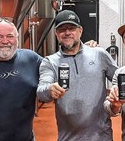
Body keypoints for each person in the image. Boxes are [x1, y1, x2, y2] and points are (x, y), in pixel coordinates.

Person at [36, 10, 118, 141]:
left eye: (71, 28)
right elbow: (41, 92)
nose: (67, 33)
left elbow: (118, 78)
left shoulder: (99, 54)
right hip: (68, 137)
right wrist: (49, 90)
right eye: (62, 29)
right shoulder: (50, 62)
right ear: (56, 34)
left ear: (80, 30)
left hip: (101, 136)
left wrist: (114, 98)